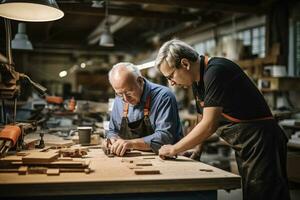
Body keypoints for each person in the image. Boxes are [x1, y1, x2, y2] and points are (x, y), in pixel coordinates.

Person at [155, 39, 290, 200]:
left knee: (265, 195)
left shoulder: (216, 71)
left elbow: (209, 125)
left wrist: (174, 149)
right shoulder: (198, 81)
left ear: (185, 64)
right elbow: (202, 117)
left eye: (171, 76)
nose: (172, 83)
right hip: (248, 144)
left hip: (262, 141)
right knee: (253, 193)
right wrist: (197, 149)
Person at [106, 62, 183, 156]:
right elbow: (112, 130)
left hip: (167, 159)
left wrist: (131, 144)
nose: (125, 99)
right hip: (133, 159)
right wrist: (112, 139)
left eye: (129, 92)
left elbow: (166, 136)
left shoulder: (163, 96)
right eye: (119, 94)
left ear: (140, 81)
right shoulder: (119, 99)